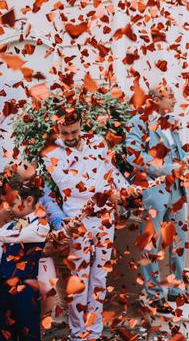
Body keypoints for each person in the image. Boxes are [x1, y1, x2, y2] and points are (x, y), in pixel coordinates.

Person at [41, 106, 131, 340]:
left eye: (74, 132)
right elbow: (68, 186)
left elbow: (110, 171)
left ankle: (94, 330)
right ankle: (78, 332)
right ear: (57, 129)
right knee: (78, 278)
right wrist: (104, 190)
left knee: (100, 276)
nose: (70, 137)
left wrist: (125, 190)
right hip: (77, 221)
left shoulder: (99, 142)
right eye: (65, 133)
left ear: (81, 125)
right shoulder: (50, 152)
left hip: (105, 218)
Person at [126, 83, 189, 311]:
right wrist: (165, 167)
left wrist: (184, 162)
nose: (174, 102)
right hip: (155, 191)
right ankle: (154, 295)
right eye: (171, 97)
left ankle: (177, 288)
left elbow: (177, 150)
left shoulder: (170, 123)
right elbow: (134, 155)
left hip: (177, 189)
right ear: (154, 98)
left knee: (179, 238)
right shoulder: (138, 122)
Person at [0, 172, 49, 341]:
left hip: (25, 290)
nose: (8, 208)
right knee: (4, 333)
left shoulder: (40, 226)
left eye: (12, 203)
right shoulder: (11, 224)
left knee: (28, 334)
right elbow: (2, 241)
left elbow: (13, 236)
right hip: (4, 287)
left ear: (28, 201)